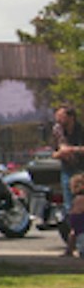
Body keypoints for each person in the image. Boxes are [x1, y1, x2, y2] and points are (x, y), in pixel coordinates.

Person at [55, 103, 84, 256]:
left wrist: (73, 149)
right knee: (70, 209)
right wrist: (60, 153)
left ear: (71, 117)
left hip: (82, 168)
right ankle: (72, 247)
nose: (58, 119)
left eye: (61, 116)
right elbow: (56, 151)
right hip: (67, 169)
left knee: (80, 206)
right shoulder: (57, 130)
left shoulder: (81, 130)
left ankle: (78, 245)